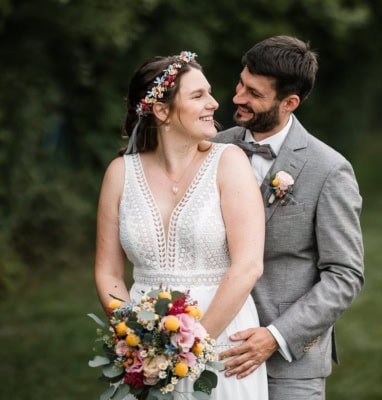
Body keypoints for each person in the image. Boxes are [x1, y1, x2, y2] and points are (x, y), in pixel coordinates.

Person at [94, 51, 269, 399]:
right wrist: (136, 341)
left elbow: (248, 266)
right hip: (146, 349)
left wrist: (191, 348)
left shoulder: (229, 162)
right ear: (161, 111)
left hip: (222, 341)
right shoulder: (120, 174)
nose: (215, 103)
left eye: (210, 93)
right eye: (198, 95)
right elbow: (109, 273)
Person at [212, 36, 365, 400]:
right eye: (240, 83)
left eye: (253, 93)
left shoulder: (329, 170)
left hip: (289, 366)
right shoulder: (214, 149)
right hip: (214, 347)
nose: (237, 98)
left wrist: (276, 336)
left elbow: (345, 275)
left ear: (289, 103)